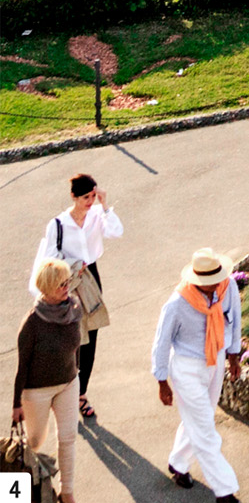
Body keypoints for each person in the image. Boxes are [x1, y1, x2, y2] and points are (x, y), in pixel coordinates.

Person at [152, 248, 242, 502]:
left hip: (217, 359)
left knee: (200, 419)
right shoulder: (177, 303)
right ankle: (225, 491)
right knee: (205, 429)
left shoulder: (228, 287)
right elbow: (161, 343)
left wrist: (234, 356)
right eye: (209, 283)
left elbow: (234, 319)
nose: (216, 285)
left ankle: (178, 463)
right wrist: (162, 382)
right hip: (187, 368)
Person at [28, 172, 121, 419]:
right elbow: (48, 257)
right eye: (85, 198)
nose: (89, 202)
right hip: (66, 281)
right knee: (72, 338)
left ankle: (81, 395)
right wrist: (72, 262)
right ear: (73, 197)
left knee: (91, 335)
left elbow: (115, 232)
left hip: (90, 277)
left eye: (92, 196)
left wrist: (104, 204)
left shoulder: (96, 215)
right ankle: (66, 391)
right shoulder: (58, 224)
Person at [13, 259, 83, 503]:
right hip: (36, 391)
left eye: (67, 282)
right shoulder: (31, 323)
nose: (67, 288)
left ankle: (67, 492)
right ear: (47, 289)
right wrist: (16, 405)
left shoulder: (74, 307)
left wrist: (77, 372)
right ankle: (22, 494)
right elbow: (22, 367)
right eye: (61, 285)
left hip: (68, 383)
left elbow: (78, 343)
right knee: (33, 443)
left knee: (68, 437)